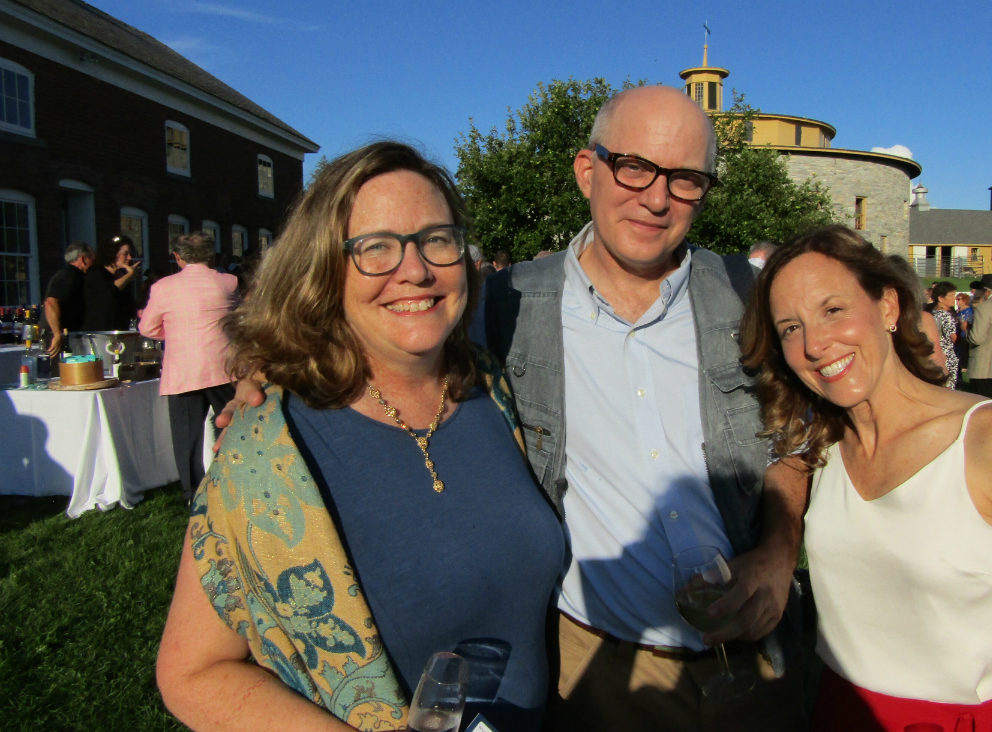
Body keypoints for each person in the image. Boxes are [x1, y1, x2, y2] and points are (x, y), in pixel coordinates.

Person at [216, 87, 809, 732]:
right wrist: (275, 366)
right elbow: (390, 321)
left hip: (759, 657)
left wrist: (779, 552)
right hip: (599, 671)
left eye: (686, 179)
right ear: (589, 170)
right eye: (634, 167)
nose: (657, 197)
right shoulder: (505, 305)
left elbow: (798, 434)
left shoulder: (748, 296)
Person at [157, 142, 565, 732]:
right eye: (376, 247)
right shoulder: (270, 448)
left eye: (437, 239)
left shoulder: (492, 388)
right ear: (324, 269)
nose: (416, 269)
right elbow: (192, 672)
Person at [741, 226, 992, 732]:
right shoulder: (821, 441)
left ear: (888, 308)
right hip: (839, 712)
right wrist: (777, 553)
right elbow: (788, 467)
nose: (816, 344)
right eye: (789, 328)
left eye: (833, 310)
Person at [139, 232, 239, 503]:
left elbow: (147, 327)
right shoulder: (229, 282)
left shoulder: (163, 287)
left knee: (187, 439)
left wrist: (173, 330)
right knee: (231, 428)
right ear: (212, 255)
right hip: (224, 367)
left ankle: (192, 492)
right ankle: (232, 480)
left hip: (184, 371)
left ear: (178, 257)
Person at [38, 241, 93, 356]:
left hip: (68, 339)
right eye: (92, 258)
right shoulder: (69, 276)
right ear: (83, 259)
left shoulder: (75, 276)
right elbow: (50, 303)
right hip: (59, 342)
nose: (94, 263)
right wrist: (57, 334)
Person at [82, 235, 141, 331]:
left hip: (121, 331)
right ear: (113, 253)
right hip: (99, 332)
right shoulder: (95, 272)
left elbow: (129, 304)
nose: (129, 258)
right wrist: (130, 274)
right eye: (126, 254)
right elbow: (111, 291)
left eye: (130, 254)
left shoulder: (122, 276)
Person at [928, 281, 959, 389]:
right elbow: (954, 338)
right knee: (948, 388)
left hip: (935, 355)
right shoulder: (946, 316)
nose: (954, 298)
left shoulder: (932, 313)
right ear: (941, 298)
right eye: (951, 296)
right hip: (947, 356)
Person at [953, 292, 972, 384]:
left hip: (964, 334)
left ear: (964, 301)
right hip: (957, 333)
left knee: (964, 350)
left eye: (959, 299)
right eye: (956, 299)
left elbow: (966, 324)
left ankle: (965, 366)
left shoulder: (968, 311)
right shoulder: (958, 310)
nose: (957, 301)